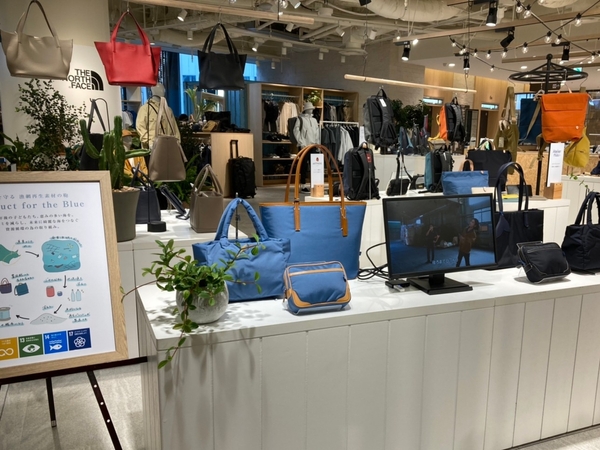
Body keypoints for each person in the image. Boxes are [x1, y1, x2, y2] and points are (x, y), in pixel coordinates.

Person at [136, 83, 181, 149]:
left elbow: (175, 130)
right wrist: (149, 142)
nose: (162, 91)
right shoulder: (145, 109)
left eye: (163, 89)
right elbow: (140, 128)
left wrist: (177, 143)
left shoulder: (168, 110)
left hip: (168, 147)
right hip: (152, 149)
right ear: (152, 91)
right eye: (159, 89)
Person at [293, 101, 320, 193]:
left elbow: (317, 133)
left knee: (314, 166)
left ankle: (314, 184)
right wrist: (301, 143)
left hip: (313, 145)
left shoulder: (314, 120)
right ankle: (303, 185)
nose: (311, 111)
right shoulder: (300, 119)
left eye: (311, 109)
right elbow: (296, 131)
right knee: (303, 165)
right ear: (306, 110)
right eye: (309, 109)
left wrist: (317, 144)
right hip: (304, 146)